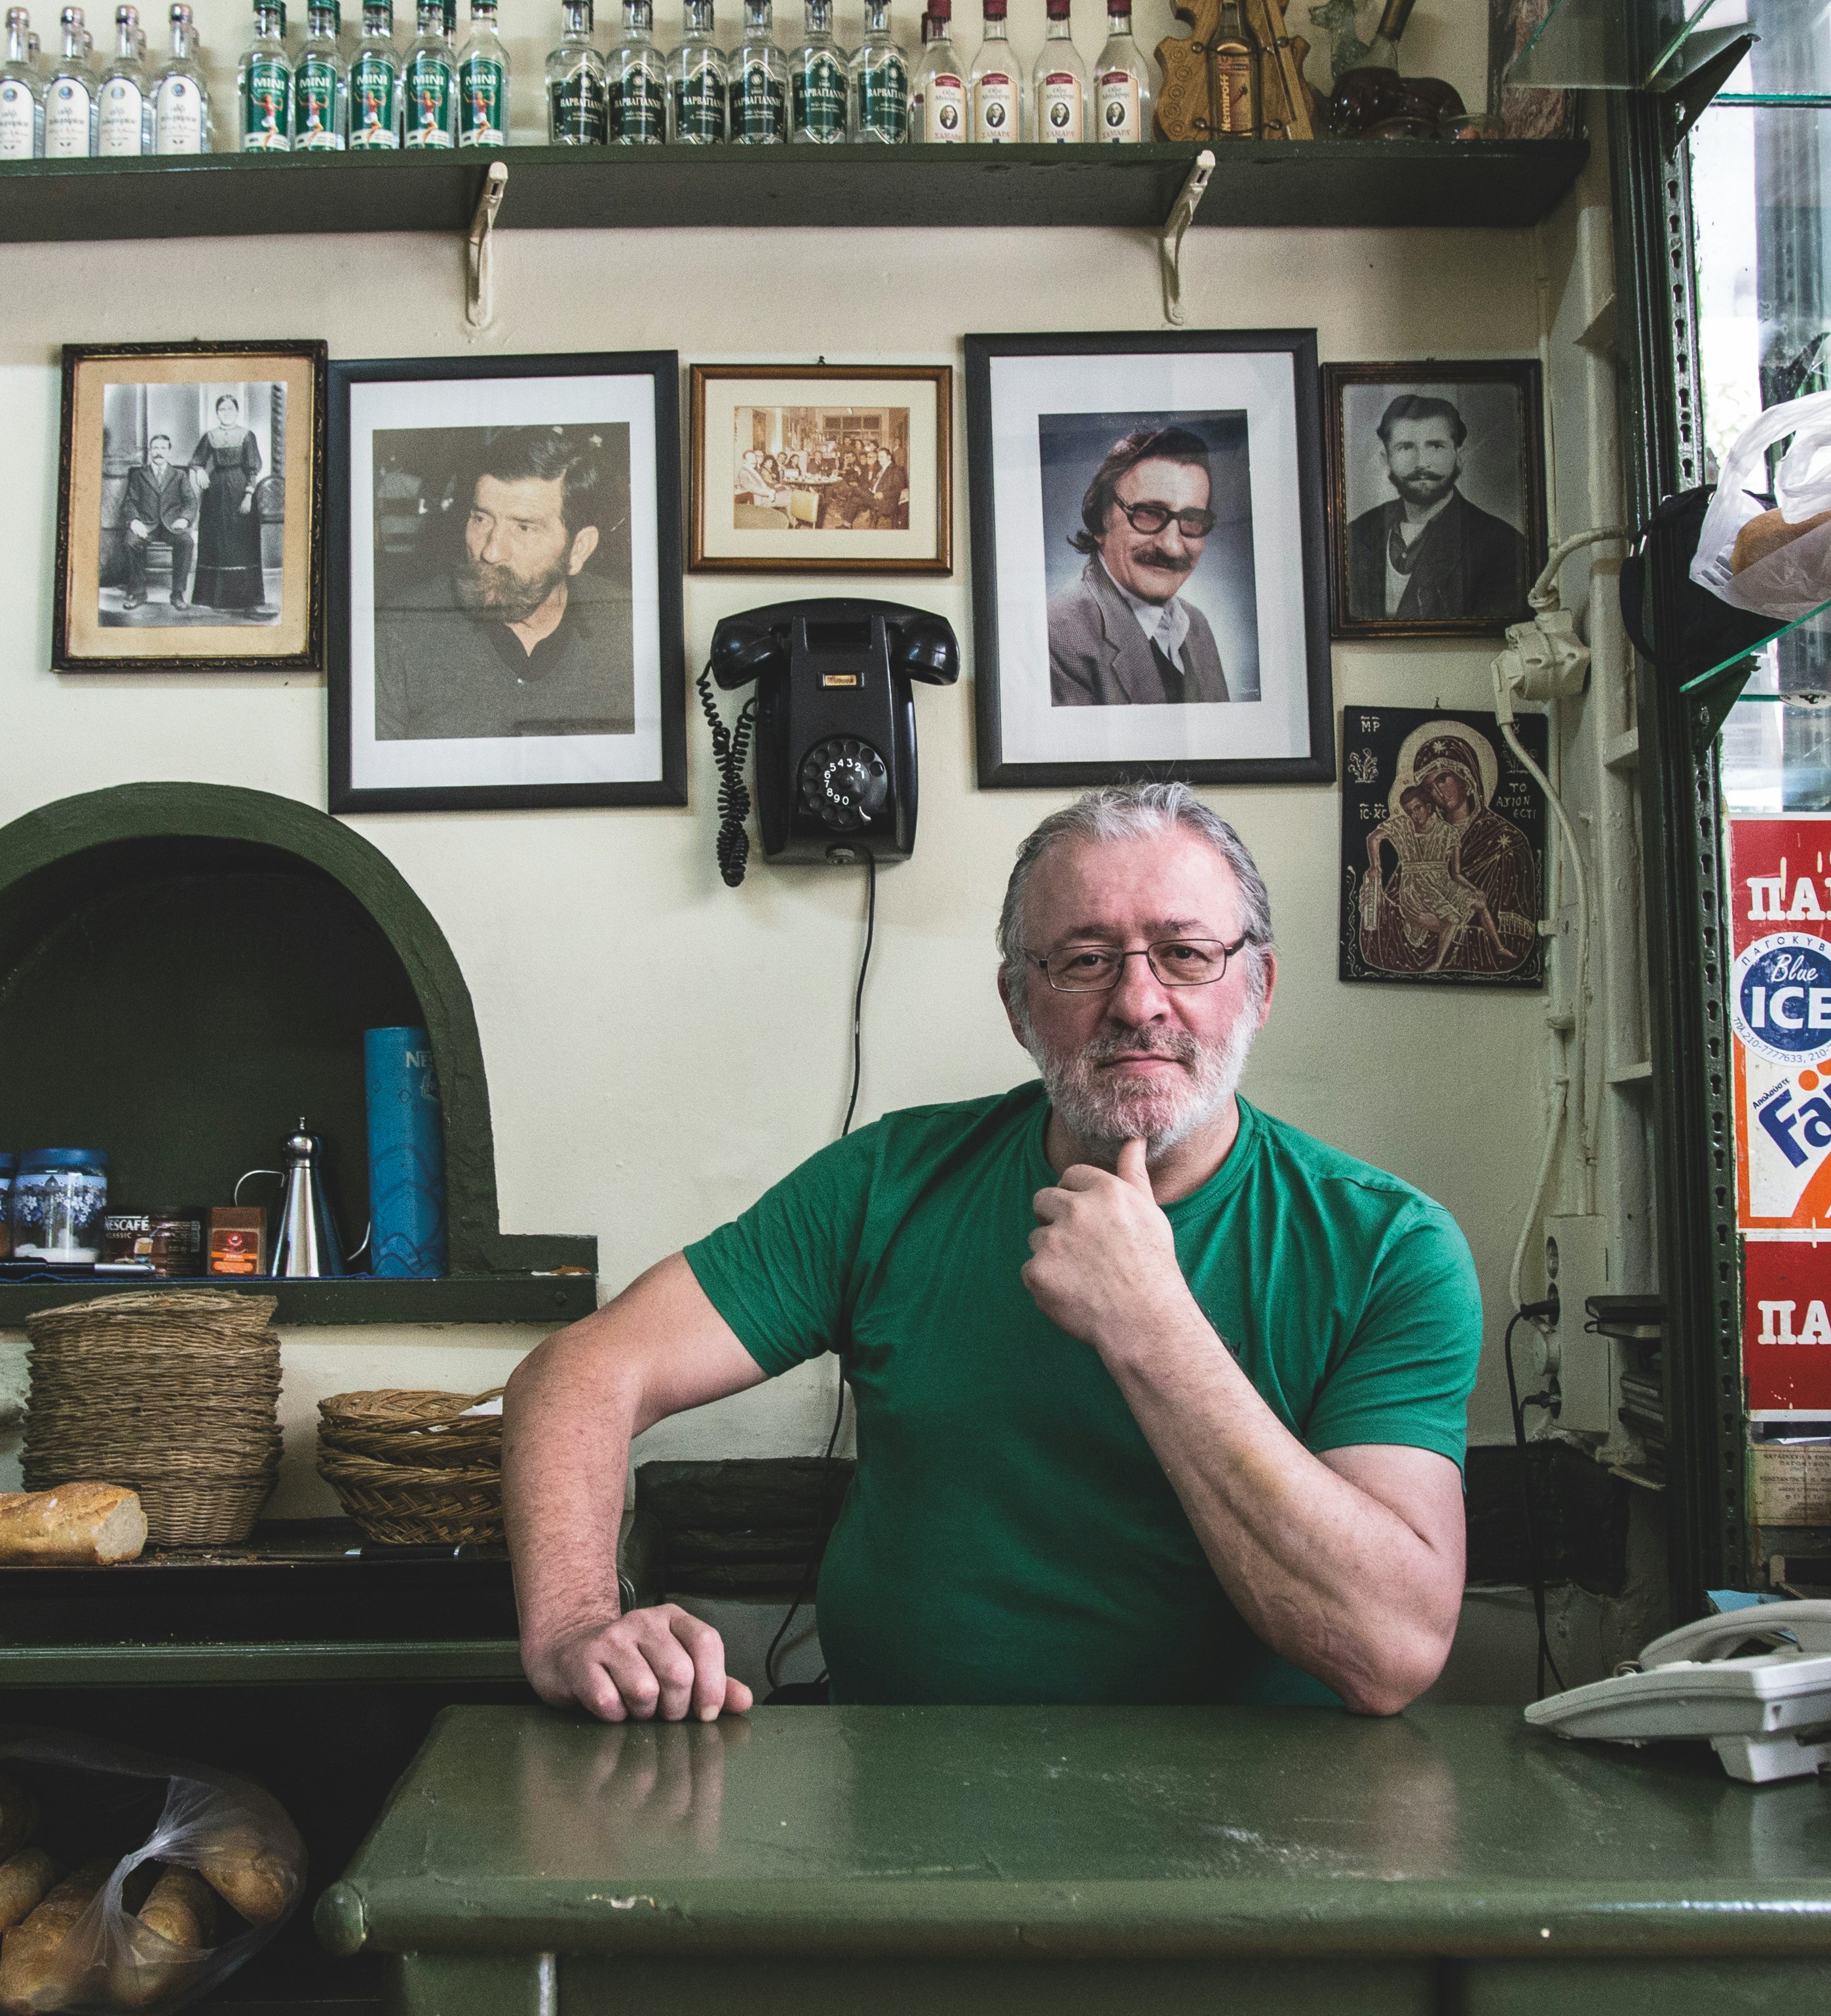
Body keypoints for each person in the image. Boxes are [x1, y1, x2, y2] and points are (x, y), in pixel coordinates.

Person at [503, 782, 1483, 1719]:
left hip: (1261, 1831)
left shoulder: (1390, 1247)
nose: (1139, 1001)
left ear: (1259, 986)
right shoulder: (888, 1181)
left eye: (1185, 953)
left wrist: (1152, 1321)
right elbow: (582, 1372)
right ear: (1019, 1003)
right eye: (1086, 959)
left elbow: (1388, 1651)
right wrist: (576, 1621)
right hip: (902, 1805)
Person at [375, 430, 636, 741]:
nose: (491, 551)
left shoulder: (629, 629)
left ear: (579, 549)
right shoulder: (400, 631)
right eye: (481, 519)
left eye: (524, 528)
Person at [1045, 424, 1236, 705]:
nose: (1171, 546)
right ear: (1101, 522)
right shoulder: (1058, 634)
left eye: (1192, 520)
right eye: (1148, 514)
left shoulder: (1197, 625)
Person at [1356, 729, 1538, 976]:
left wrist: (1439, 926)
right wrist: (1378, 906)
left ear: (1467, 777)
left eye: (1443, 778)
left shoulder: (1507, 843)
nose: (1438, 791)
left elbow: (1518, 946)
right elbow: (1384, 940)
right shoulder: (1420, 841)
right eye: (1429, 787)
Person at [1345, 394, 1527, 624]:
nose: (1422, 462)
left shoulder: (1503, 545)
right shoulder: (1356, 535)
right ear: (1386, 459)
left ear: (1458, 457)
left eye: (1436, 446)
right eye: (1405, 448)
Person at [189, 388, 275, 616]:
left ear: (237, 412)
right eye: (221, 409)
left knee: (240, 541)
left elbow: (253, 468)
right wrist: (200, 471)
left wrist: (248, 495)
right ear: (217, 412)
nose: (226, 412)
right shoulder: (210, 436)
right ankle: (212, 598)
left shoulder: (247, 435)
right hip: (215, 491)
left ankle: (245, 599)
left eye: (230, 408)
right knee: (216, 539)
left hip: (240, 489)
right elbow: (197, 460)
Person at [117, 430, 202, 610]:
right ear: (150, 450)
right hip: (147, 525)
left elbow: (190, 502)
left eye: (163, 448)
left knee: (186, 542)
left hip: (172, 525)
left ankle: (178, 594)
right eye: (155, 448)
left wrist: (185, 520)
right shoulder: (139, 475)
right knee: (132, 542)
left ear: (169, 451)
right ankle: (139, 593)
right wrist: (134, 521)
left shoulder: (179, 475)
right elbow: (129, 502)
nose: (159, 452)